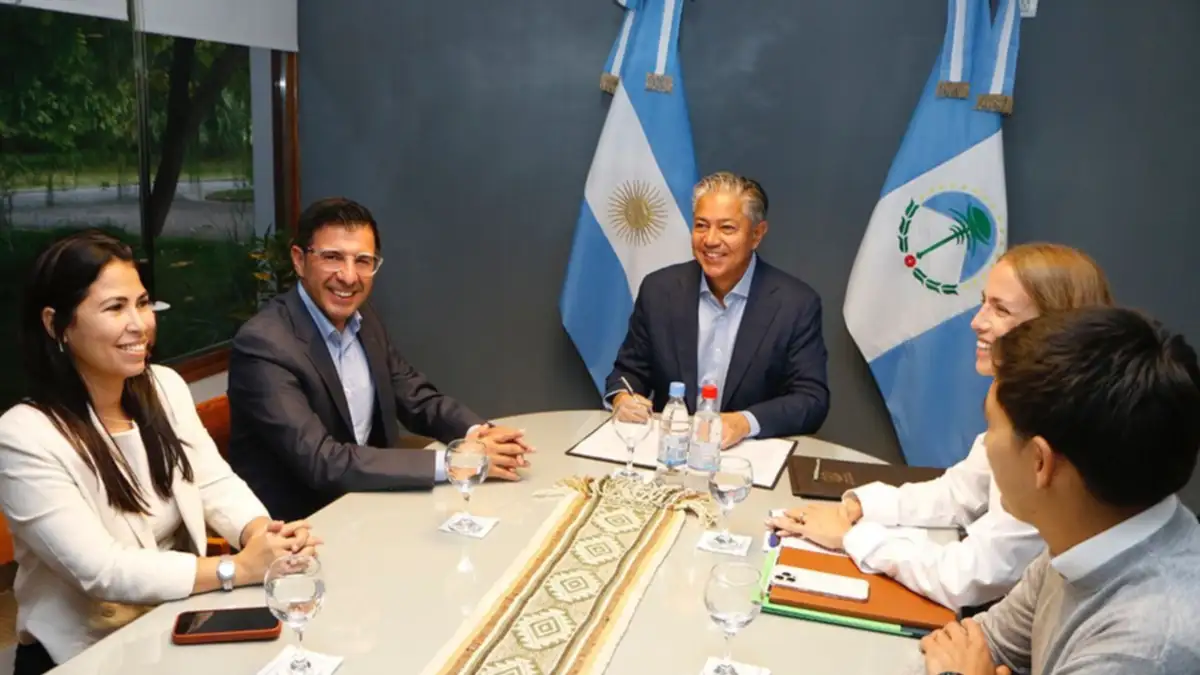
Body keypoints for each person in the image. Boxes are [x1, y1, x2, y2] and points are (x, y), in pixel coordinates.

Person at [0, 231, 318, 674]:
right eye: (115, 308)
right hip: (84, 656)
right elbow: (101, 570)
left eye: (143, 303)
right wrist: (235, 569)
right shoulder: (24, 435)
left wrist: (262, 535)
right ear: (56, 324)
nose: (140, 324)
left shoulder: (163, 387)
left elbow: (213, 481)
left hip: (178, 626)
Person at [768, 243, 1113, 610]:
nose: (976, 322)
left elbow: (973, 575)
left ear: (1054, 326)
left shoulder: (1058, 436)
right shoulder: (1022, 402)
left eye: (1000, 310)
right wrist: (862, 507)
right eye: (983, 303)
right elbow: (959, 493)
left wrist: (853, 537)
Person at [917, 307, 1200, 675]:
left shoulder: (1148, 649)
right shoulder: (1083, 533)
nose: (985, 443)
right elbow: (978, 643)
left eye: (991, 426)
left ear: (1040, 462)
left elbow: (962, 663)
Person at [228, 198, 533, 521]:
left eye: (363, 261)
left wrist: (478, 434)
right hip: (302, 528)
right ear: (299, 260)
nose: (349, 277)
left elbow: (415, 397)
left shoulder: (364, 319)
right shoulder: (264, 345)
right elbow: (322, 461)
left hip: (369, 506)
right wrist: (454, 462)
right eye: (332, 257)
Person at [605, 172, 829, 447]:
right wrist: (623, 398)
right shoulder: (659, 290)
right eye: (701, 225)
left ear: (757, 234)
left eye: (727, 228)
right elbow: (629, 371)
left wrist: (744, 422)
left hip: (748, 455)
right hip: (671, 452)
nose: (710, 240)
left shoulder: (795, 304)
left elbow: (811, 399)